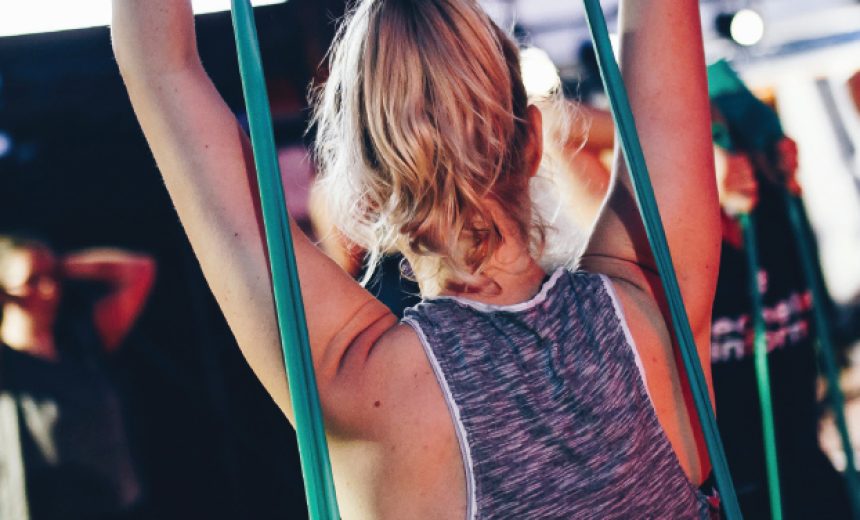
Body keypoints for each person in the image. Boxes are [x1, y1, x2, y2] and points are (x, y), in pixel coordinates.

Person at [112, 0, 721, 517]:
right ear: (534, 142)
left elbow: (162, 67)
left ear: (365, 196)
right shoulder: (653, 299)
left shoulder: (359, 380)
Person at [709, 111, 853, 517]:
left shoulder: (776, 213)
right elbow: (567, 136)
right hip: (736, 494)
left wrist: (773, 152)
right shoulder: (659, 242)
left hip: (811, 470)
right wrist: (702, 159)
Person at [0, 236, 155, 519]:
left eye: (53, 278)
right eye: (34, 280)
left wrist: (61, 265)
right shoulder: (7, 365)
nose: (49, 289)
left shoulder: (82, 345)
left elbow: (140, 270)